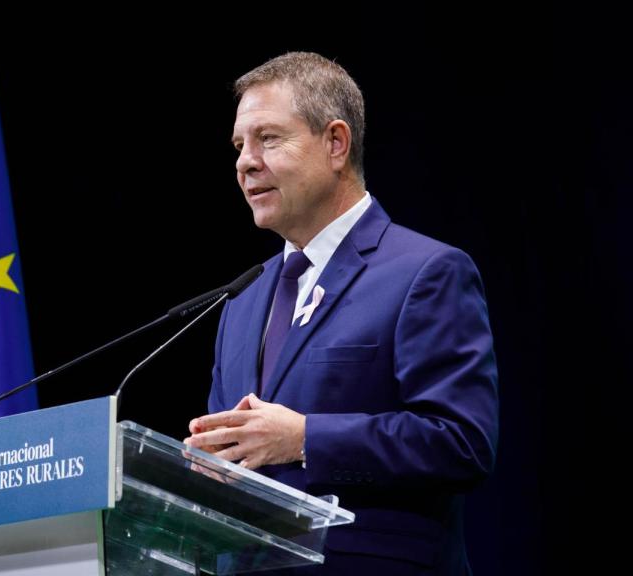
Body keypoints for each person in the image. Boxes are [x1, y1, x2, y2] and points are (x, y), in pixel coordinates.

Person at [184, 52, 498, 575]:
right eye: (239, 146)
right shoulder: (242, 300)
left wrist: (304, 438)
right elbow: (235, 459)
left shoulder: (426, 272)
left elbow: (462, 443)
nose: (245, 163)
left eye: (268, 138)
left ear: (335, 143)